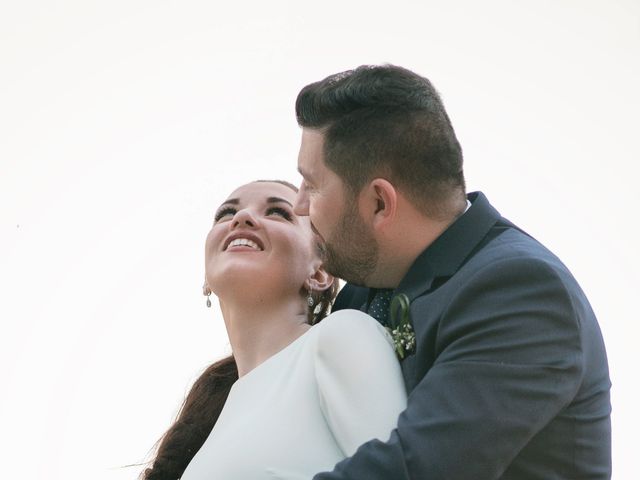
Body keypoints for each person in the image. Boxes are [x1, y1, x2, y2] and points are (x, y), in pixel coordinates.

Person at [293, 65, 611, 479]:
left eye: (311, 184)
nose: (300, 205)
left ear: (379, 204)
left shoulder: (521, 292)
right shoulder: (361, 294)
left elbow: (418, 469)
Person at [141, 180, 407, 480]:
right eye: (226, 214)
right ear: (206, 277)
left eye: (279, 212)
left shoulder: (341, 336)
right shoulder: (211, 423)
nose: (242, 218)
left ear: (319, 273)